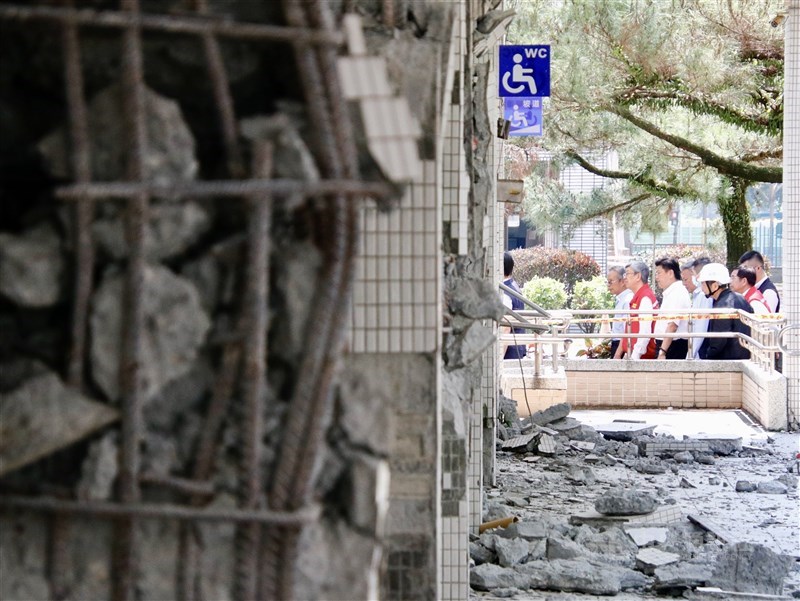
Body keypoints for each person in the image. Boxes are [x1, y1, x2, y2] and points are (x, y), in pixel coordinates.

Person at [697, 263, 753, 360]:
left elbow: (718, 341)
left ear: (714, 286)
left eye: (703, 283)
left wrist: (708, 355)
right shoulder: (740, 298)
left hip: (728, 361)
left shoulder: (721, 306)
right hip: (745, 357)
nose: (702, 287)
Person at [616, 260, 658, 360]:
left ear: (638, 276)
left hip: (642, 358)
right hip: (635, 355)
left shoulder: (645, 298)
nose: (624, 278)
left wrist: (635, 356)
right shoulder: (639, 296)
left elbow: (645, 331)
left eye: (628, 273)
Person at [653, 257, 691, 359]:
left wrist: (662, 352)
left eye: (659, 273)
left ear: (670, 273)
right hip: (667, 344)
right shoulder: (671, 292)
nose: (657, 277)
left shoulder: (678, 292)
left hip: (672, 346)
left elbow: (672, 325)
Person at [681, 262, 712, 359]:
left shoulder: (704, 296)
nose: (683, 283)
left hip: (700, 351)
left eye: (686, 279)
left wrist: (691, 355)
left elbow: (700, 328)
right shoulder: (697, 296)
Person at [501, 252, 527, 359]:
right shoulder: (513, 286)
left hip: (509, 352)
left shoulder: (504, 293)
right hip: (517, 348)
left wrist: (499, 357)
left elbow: (505, 328)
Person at [606, 265, 633, 359]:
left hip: (621, 345)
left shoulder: (627, 300)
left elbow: (627, 329)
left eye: (610, 281)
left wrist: (618, 353)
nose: (608, 285)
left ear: (622, 281)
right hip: (617, 343)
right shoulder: (620, 299)